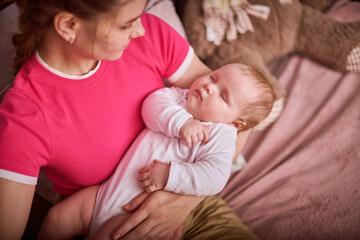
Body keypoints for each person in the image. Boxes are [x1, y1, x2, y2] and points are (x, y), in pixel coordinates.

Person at [0, 0, 254, 239]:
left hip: (196, 204)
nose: (140, 29)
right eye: (126, 24)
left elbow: (239, 119)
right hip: (103, 215)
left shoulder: (152, 35)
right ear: (68, 26)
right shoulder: (25, 117)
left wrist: (182, 202)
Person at [38, 63, 273, 239]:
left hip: (136, 214)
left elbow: (215, 176)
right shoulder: (180, 98)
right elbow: (151, 106)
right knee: (56, 218)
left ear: (236, 123)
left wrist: (171, 175)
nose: (209, 87)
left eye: (222, 95)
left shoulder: (221, 134)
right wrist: (182, 123)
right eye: (213, 77)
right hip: (105, 194)